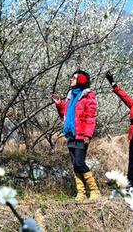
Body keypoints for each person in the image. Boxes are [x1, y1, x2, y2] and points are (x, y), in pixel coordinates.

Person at [52, 70, 101, 202]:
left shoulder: (87, 97)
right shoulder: (71, 96)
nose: (71, 80)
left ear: (81, 80)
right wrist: (59, 104)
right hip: (70, 134)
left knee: (80, 162)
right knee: (75, 163)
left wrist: (88, 135)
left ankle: (94, 190)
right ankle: (81, 192)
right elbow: (66, 114)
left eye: (73, 78)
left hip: (81, 135)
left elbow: (91, 118)